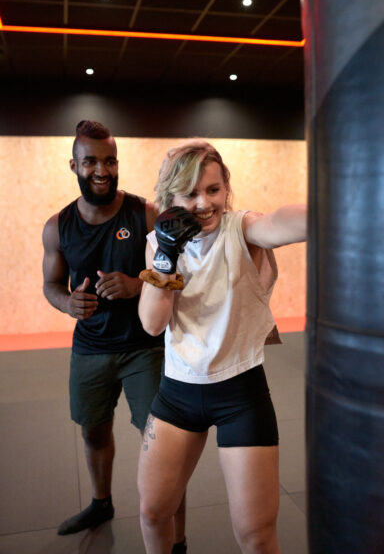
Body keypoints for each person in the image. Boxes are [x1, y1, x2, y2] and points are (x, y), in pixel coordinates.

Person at [137, 139, 307, 554]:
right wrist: (166, 257)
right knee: (154, 513)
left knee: (255, 535)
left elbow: (281, 224)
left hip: (240, 394)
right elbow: (152, 324)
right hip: (177, 393)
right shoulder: (159, 242)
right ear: (169, 199)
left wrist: (337, 198)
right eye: (190, 193)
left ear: (226, 189)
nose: (204, 203)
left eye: (213, 190)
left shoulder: (241, 228)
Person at [42, 120, 186, 552]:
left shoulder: (144, 213)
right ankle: (101, 502)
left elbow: (180, 272)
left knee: (163, 444)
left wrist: (138, 283)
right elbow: (51, 284)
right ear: (74, 165)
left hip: (145, 348)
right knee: (93, 431)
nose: (101, 170)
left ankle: (176, 541)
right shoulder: (58, 226)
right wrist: (67, 303)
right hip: (90, 349)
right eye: (91, 162)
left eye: (109, 160)